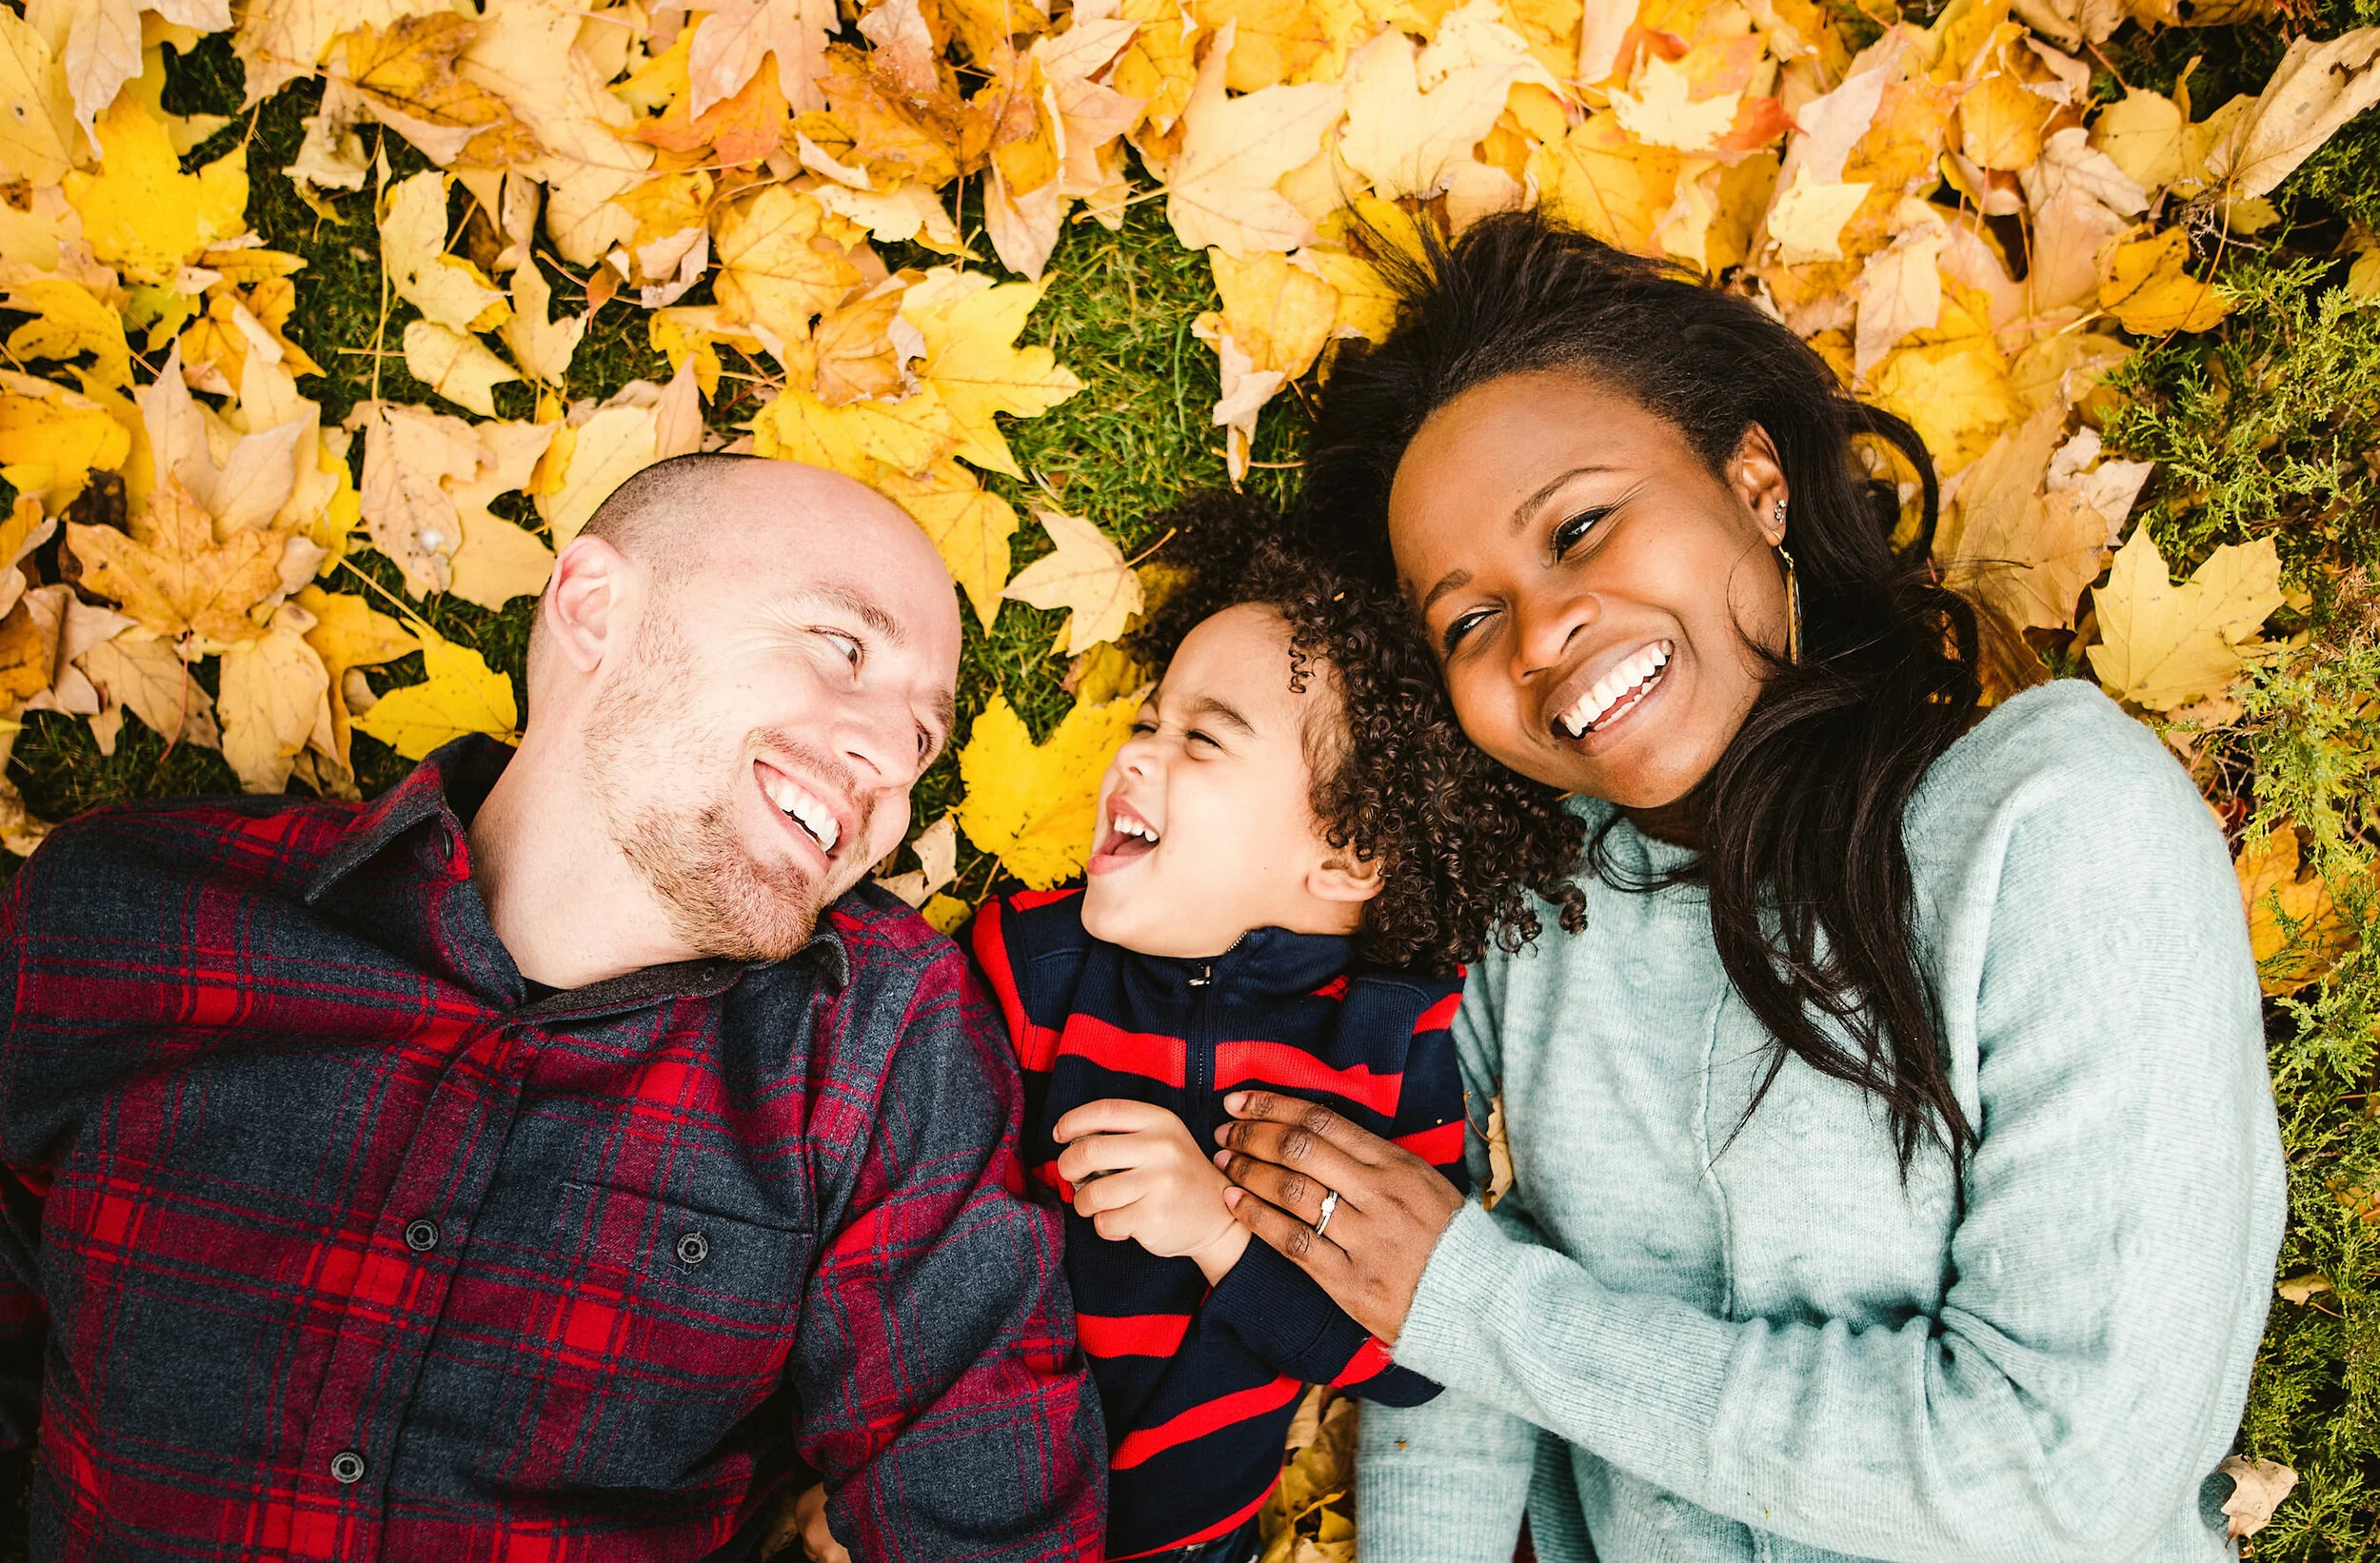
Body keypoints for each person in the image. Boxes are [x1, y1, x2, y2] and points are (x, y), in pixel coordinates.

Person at [1207, 213, 2288, 1563]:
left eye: (1582, 526)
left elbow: (2063, 1481)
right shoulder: (1538, 917)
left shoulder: (2057, 824)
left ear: (1756, 482)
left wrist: (1488, 1307)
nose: (1542, 633)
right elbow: (1439, 1281)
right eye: (1467, 621)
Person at [0, 453, 1104, 1562]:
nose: (888, 765)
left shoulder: (873, 1045)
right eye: (842, 648)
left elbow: (987, 1514)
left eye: (923, 739)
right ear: (593, 610)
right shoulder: (125, 913)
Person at [956, 497, 1581, 1563]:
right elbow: (913, 1231)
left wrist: (1218, 1234)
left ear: (1344, 855)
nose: (1137, 754)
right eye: (1149, 720)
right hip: (961, 1494)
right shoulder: (1033, 966)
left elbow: (1409, 1356)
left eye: (1200, 738)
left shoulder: (1388, 1049)